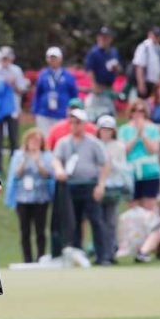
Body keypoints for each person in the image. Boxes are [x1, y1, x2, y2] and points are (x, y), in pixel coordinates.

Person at [52, 108, 112, 265]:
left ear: (84, 124)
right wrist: (59, 170)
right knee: (73, 221)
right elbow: (56, 159)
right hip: (70, 186)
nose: (74, 125)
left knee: (96, 220)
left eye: (77, 122)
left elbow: (105, 164)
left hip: (89, 185)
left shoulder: (93, 143)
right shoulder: (64, 143)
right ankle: (76, 253)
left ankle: (103, 256)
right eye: (71, 122)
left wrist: (101, 184)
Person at [6, 129, 53, 263]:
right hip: (23, 198)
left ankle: (41, 257)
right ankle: (27, 259)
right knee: (24, 230)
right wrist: (26, 160)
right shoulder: (19, 155)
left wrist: (38, 162)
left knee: (40, 230)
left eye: (38, 141)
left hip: (41, 198)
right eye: (32, 140)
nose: (34, 143)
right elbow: (16, 174)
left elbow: (47, 174)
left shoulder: (46, 156)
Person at [0, 45, 27, 172]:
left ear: (12, 59)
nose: (5, 61)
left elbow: (21, 90)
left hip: (13, 109)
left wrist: (13, 83)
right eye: (3, 58)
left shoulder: (16, 70)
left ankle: (14, 165)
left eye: (8, 58)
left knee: (14, 137)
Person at [118, 98, 160, 212]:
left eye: (141, 110)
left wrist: (143, 134)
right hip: (131, 172)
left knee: (149, 206)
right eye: (135, 110)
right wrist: (135, 136)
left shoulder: (152, 128)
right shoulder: (124, 129)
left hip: (150, 171)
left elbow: (153, 150)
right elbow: (124, 151)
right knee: (134, 207)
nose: (138, 113)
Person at [96, 115, 128, 262]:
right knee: (98, 221)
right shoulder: (95, 144)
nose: (106, 133)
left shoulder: (119, 146)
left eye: (109, 130)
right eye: (103, 129)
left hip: (113, 187)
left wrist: (110, 162)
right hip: (98, 187)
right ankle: (100, 253)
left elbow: (122, 167)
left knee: (110, 221)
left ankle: (110, 252)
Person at [32, 46, 79, 134]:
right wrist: (35, 110)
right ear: (47, 59)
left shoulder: (68, 76)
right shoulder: (43, 75)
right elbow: (38, 93)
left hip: (62, 112)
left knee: (60, 137)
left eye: (55, 58)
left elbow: (74, 95)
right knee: (45, 138)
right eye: (51, 58)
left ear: (60, 59)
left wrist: (74, 110)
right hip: (45, 112)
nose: (53, 60)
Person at [84, 26, 121, 118]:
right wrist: (94, 85)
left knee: (109, 113)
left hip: (109, 87)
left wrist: (117, 68)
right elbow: (89, 70)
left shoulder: (113, 52)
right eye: (101, 37)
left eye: (106, 37)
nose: (103, 39)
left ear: (110, 39)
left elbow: (118, 70)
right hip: (98, 88)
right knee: (93, 113)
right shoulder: (94, 52)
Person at [131, 26, 160, 99]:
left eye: (158, 35)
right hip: (146, 82)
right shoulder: (144, 46)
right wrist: (141, 84)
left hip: (154, 83)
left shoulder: (158, 47)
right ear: (150, 34)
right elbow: (139, 66)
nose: (156, 37)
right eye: (155, 35)